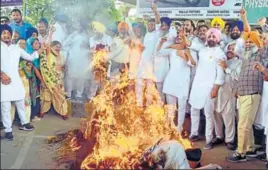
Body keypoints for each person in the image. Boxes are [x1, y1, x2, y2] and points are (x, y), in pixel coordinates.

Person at [227, 31, 268, 162]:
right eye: (247, 42)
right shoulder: (246, 57)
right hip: (242, 93)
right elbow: (241, 76)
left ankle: (241, 153)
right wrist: (237, 89)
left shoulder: (261, 54)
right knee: (245, 124)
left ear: (258, 43)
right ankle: (249, 147)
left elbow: (252, 34)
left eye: (252, 42)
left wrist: (260, 33)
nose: (248, 44)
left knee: (243, 125)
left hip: (252, 93)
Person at [1, 24, 41, 140]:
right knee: (5, 107)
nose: (6, 35)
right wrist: (2, 74)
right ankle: (8, 131)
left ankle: (25, 123)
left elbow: (30, 57)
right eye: (4, 33)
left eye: (8, 33)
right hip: (3, 82)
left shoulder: (16, 48)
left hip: (16, 81)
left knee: (20, 101)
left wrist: (39, 50)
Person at [189, 28, 226, 149]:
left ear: (218, 39)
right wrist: (184, 37)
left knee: (208, 114)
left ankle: (209, 139)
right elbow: (191, 44)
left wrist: (215, 88)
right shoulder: (202, 50)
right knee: (194, 110)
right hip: (197, 86)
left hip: (210, 87)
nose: (211, 39)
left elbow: (221, 74)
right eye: (209, 36)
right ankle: (194, 133)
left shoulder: (220, 54)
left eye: (213, 37)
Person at [160, 32, 195, 133]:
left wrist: (185, 55)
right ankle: (170, 126)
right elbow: (158, 53)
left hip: (183, 82)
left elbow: (193, 64)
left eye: (181, 38)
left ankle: (179, 128)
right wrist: (169, 45)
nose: (179, 39)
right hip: (171, 81)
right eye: (177, 38)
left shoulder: (190, 50)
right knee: (171, 107)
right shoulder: (171, 50)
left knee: (182, 107)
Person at [214, 42, 242, 150]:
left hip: (230, 92)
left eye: (233, 49)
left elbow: (237, 76)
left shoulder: (240, 62)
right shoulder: (221, 60)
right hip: (217, 92)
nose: (230, 50)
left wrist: (226, 68)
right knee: (217, 114)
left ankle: (230, 140)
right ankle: (219, 136)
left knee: (228, 116)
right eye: (229, 48)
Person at [136, 3, 161, 108]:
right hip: (142, 65)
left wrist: (155, 11)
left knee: (149, 89)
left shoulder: (157, 34)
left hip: (150, 67)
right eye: (149, 25)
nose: (150, 26)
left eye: (152, 25)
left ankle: (149, 107)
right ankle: (138, 105)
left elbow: (158, 20)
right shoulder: (146, 34)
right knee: (139, 87)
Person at [64, 21, 90, 100]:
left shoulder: (86, 36)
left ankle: (79, 94)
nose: (78, 26)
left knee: (81, 77)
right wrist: (72, 36)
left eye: (79, 25)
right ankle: (68, 94)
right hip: (72, 59)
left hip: (83, 59)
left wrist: (86, 47)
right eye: (76, 24)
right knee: (70, 77)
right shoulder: (71, 35)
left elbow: (90, 47)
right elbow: (64, 44)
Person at [88, 21, 113, 100]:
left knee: (104, 82)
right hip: (96, 62)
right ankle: (91, 97)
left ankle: (102, 99)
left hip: (106, 62)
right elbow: (92, 50)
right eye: (94, 30)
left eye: (97, 29)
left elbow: (110, 49)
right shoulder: (92, 38)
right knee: (94, 81)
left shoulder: (108, 38)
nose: (95, 31)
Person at [25, 37, 44, 121]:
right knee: (33, 96)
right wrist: (42, 80)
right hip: (33, 78)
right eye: (35, 43)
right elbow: (35, 69)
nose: (38, 44)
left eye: (38, 43)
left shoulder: (37, 54)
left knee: (37, 95)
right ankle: (32, 116)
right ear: (30, 45)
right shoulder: (30, 55)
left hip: (37, 76)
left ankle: (35, 114)